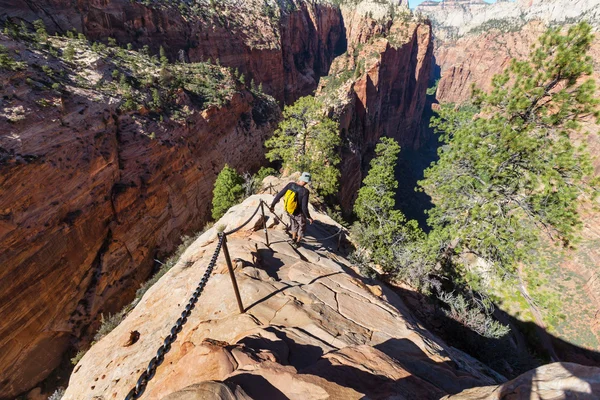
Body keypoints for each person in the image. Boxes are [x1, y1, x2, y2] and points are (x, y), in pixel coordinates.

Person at [269, 172, 314, 246]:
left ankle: (293, 239)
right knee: (301, 226)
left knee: (293, 224)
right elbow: (304, 207)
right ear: (306, 182)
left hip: (290, 211)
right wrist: (308, 217)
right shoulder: (305, 191)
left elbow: (279, 195)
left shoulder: (291, 185)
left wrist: (272, 205)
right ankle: (298, 242)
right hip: (299, 213)